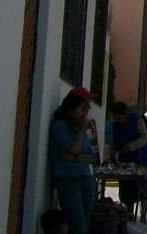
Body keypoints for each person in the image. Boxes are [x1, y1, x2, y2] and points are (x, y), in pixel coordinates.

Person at [48, 87, 96, 234]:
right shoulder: (59, 126)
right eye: (82, 109)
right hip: (68, 180)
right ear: (71, 108)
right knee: (77, 225)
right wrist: (82, 131)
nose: (85, 114)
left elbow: (91, 157)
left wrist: (74, 158)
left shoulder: (79, 128)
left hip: (85, 178)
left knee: (85, 224)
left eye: (87, 110)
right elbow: (74, 149)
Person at [108, 101, 147, 214]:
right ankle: (128, 215)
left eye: (119, 118)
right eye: (115, 118)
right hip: (125, 160)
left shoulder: (137, 120)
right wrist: (112, 155)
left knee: (144, 191)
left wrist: (129, 147)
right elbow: (113, 142)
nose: (118, 121)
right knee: (127, 191)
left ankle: (143, 217)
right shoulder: (115, 125)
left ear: (125, 115)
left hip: (142, 157)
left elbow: (144, 138)